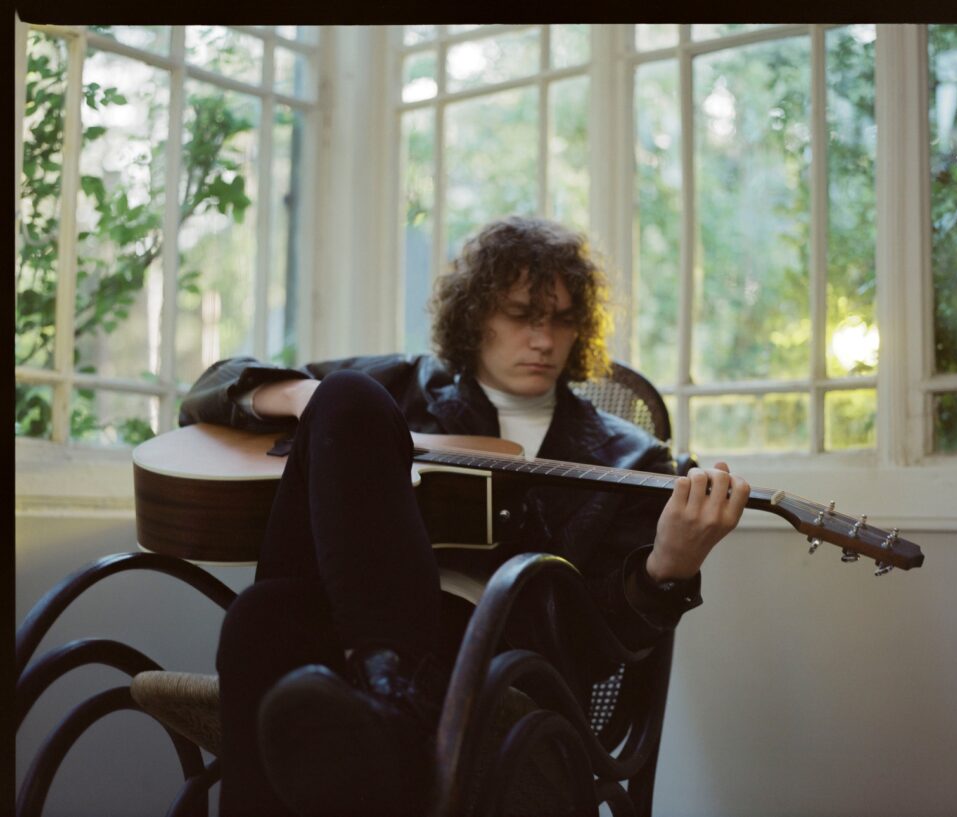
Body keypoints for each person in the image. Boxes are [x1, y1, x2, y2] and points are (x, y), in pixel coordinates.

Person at [179, 215, 749, 817]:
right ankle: (387, 689)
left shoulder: (633, 458)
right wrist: (303, 397)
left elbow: (598, 648)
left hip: (498, 664)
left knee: (259, 619)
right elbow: (210, 389)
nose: (544, 339)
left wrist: (666, 570)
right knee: (336, 414)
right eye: (522, 314)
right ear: (476, 316)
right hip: (345, 643)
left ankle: (389, 703)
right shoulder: (405, 385)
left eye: (561, 319)